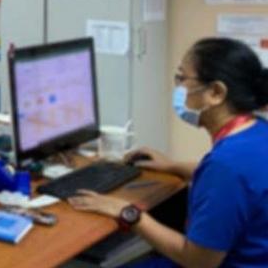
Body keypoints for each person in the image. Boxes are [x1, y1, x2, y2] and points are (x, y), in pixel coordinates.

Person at [69, 38, 268, 268]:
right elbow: (243, 182)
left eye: (182, 78)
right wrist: (172, 166)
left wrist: (127, 212)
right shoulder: (257, 131)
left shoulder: (226, 167)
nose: (178, 89)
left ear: (215, 92)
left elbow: (198, 262)